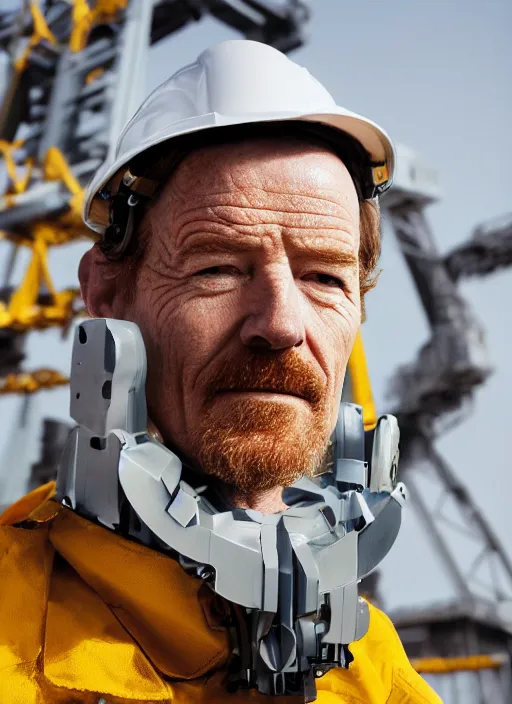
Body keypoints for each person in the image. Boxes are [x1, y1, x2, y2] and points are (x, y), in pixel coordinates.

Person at [0, 40, 442, 703]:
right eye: (217, 268)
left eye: (325, 277)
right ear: (105, 293)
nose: (282, 323)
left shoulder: (379, 674)